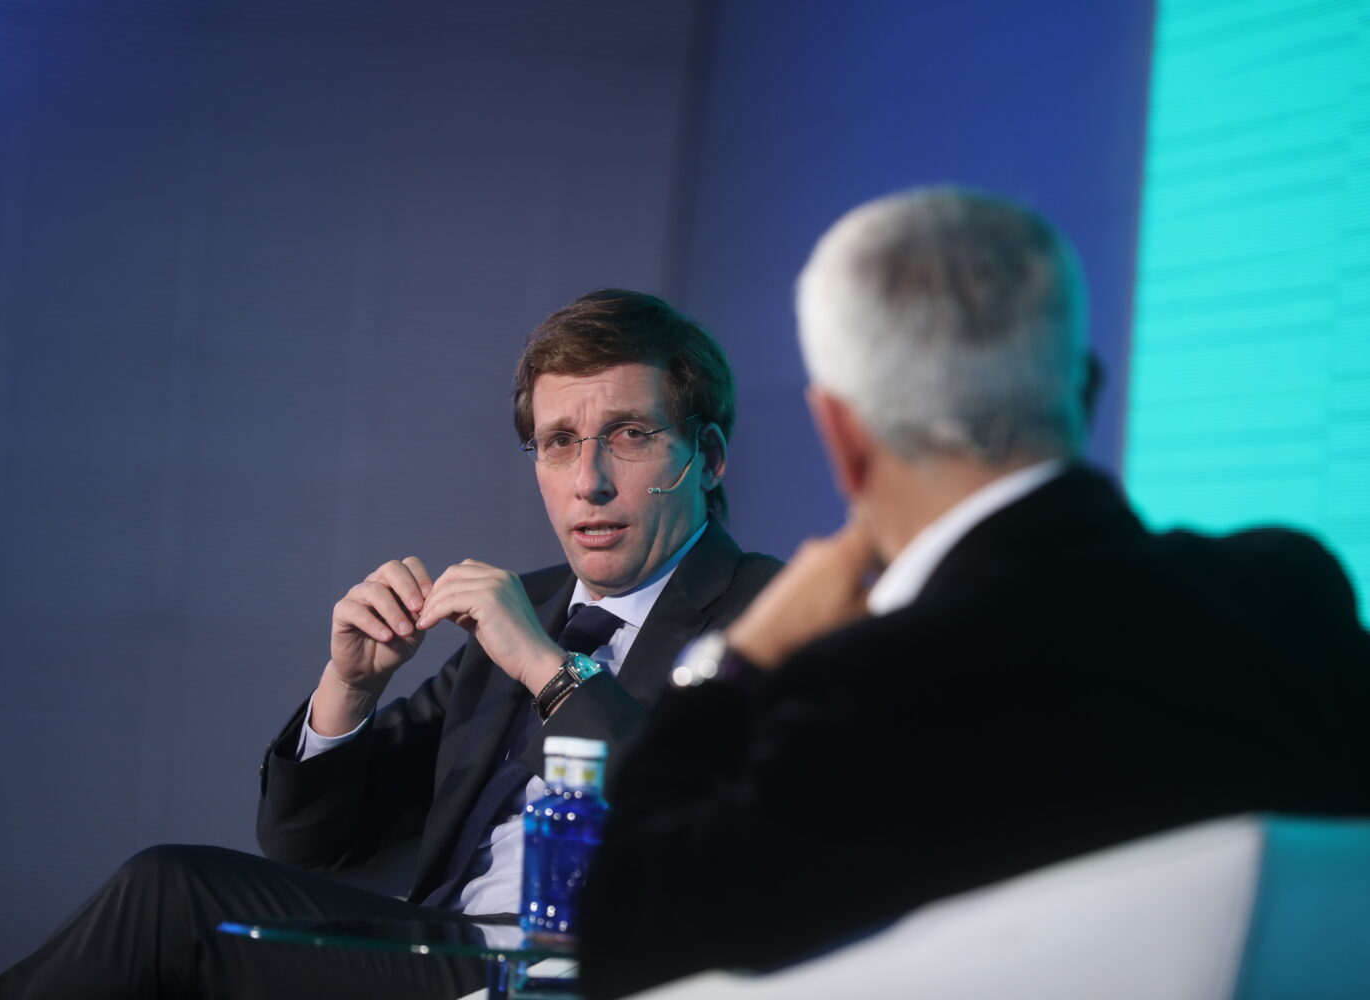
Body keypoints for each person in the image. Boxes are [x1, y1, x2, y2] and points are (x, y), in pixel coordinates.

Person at [575, 188, 1370, 999]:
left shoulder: (867, 685)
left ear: (844, 437)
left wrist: (731, 665)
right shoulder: (1292, 594)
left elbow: (625, 942)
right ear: (1086, 390)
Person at [0, 289, 780, 999]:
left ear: (707, 457)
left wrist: (546, 668)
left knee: (170, 897)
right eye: (558, 441)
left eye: (630, 434)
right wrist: (350, 687)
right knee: (170, 923)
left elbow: (709, 818)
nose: (587, 482)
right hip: (447, 957)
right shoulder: (529, 606)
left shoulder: (771, 611)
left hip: (595, 969)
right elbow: (310, 844)